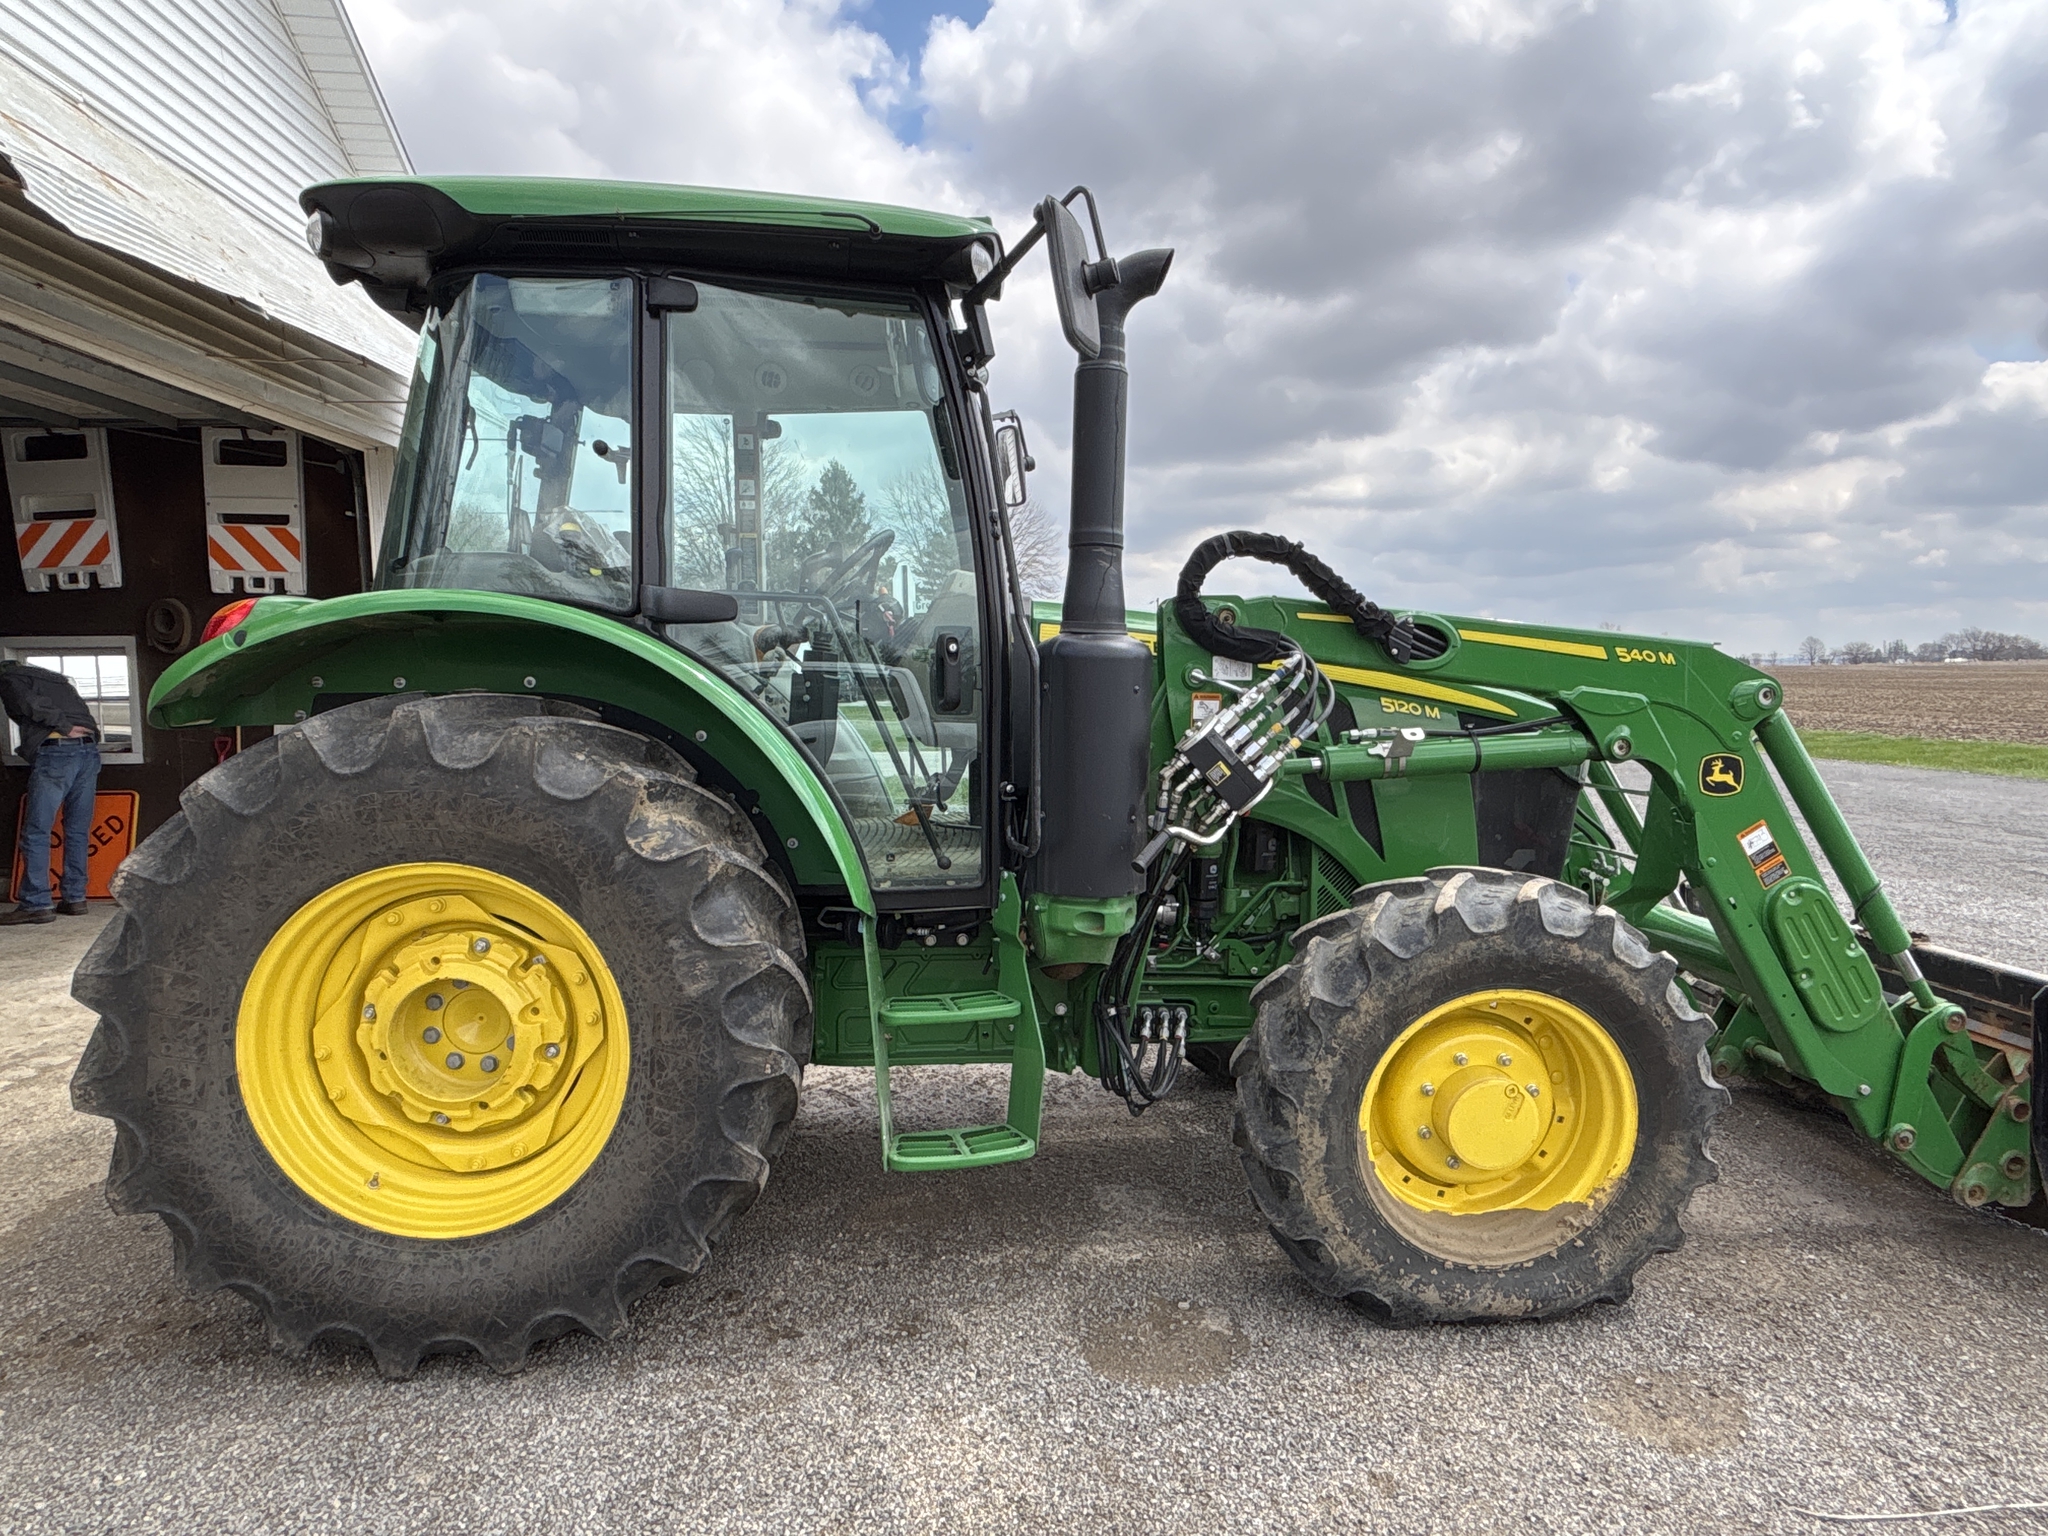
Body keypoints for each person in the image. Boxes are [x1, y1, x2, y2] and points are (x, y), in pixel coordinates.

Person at [0, 658, 102, 925]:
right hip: (88, 751)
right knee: (77, 830)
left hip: (58, 751)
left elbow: (28, 705)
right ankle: (75, 898)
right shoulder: (54, 679)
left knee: (37, 831)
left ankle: (36, 902)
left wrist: (63, 727)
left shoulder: (10, 678)